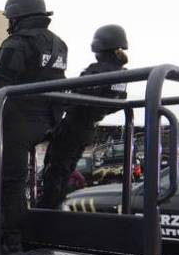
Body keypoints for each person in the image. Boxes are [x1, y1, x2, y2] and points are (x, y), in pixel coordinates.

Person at [0, 0, 68, 255]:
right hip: (47, 123)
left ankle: (11, 242)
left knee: (8, 182)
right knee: (8, 174)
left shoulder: (15, 44)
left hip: (17, 123)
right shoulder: (59, 44)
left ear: (16, 17)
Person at [40, 24, 130, 208]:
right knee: (65, 171)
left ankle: (47, 211)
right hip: (88, 128)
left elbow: (77, 97)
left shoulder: (98, 71)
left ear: (99, 46)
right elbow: (114, 104)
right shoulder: (122, 73)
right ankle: (55, 207)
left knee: (55, 171)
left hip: (74, 126)